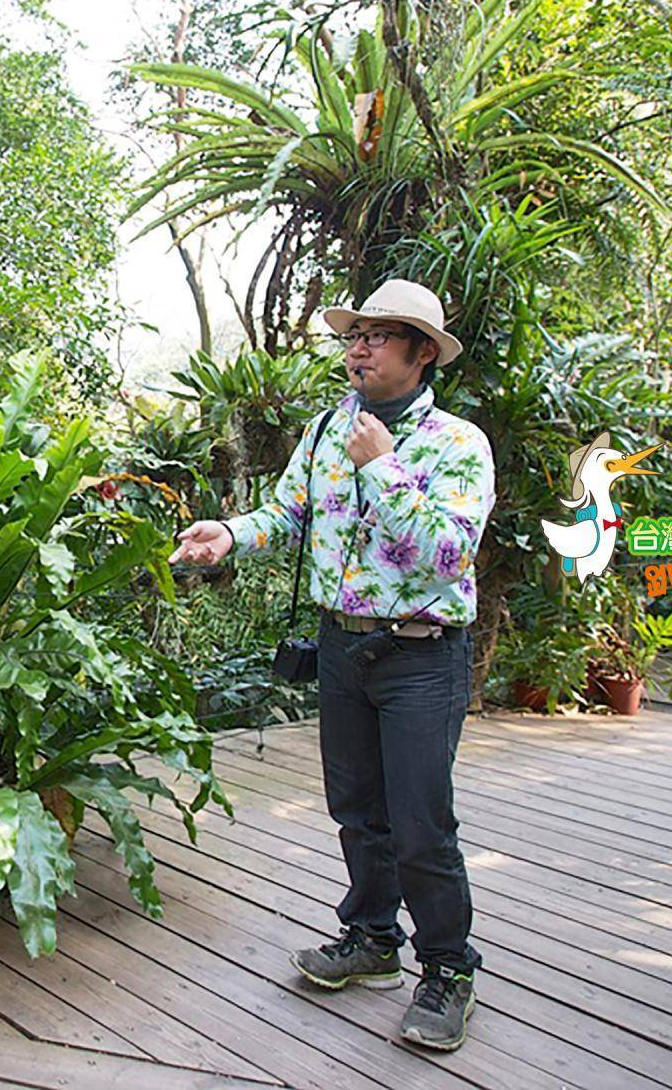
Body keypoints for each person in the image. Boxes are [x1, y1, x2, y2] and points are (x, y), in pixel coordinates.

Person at [170, 278, 496, 1053]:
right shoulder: (325, 430)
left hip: (421, 654)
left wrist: (383, 467)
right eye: (356, 333)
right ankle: (372, 939)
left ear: (423, 355)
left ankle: (448, 970)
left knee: (422, 825)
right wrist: (231, 534)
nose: (359, 345)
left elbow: (449, 556)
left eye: (380, 335)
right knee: (357, 811)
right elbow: (288, 511)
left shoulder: (457, 443)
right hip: (342, 646)